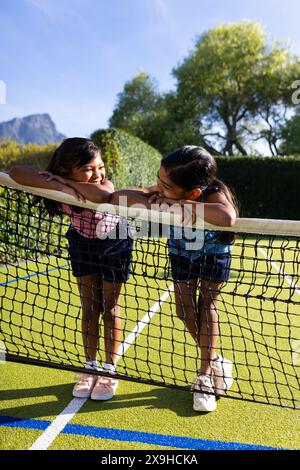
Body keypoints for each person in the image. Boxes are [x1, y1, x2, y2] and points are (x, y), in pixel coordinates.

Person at [46, 144, 238, 413]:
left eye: (165, 184)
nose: (157, 186)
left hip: (213, 252)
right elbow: (120, 196)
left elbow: (226, 217)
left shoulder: (215, 193)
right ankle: (216, 358)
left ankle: (204, 376)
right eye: (158, 179)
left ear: (193, 191)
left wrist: (177, 203)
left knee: (206, 307)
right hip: (182, 249)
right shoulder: (162, 188)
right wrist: (159, 195)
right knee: (184, 310)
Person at [9, 137, 133, 401]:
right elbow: (17, 172)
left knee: (109, 307)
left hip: (115, 241)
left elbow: (103, 196)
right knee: (89, 307)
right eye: (89, 169)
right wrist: (55, 181)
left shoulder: (102, 184)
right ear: (66, 169)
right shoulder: (58, 186)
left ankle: (109, 370)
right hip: (82, 244)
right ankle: (89, 368)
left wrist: (65, 183)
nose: (98, 173)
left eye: (100, 166)